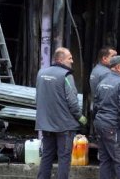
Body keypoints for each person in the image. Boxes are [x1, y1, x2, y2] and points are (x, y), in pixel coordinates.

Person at [35, 47, 86, 179]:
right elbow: (72, 102)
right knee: (64, 159)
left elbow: (38, 98)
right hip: (65, 126)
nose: (72, 61)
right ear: (60, 59)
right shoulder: (66, 76)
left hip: (46, 125)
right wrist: (81, 118)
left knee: (46, 156)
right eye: (70, 58)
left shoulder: (41, 73)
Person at [93, 55, 120, 179]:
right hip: (114, 127)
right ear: (117, 67)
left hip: (101, 124)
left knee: (105, 161)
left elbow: (95, 105)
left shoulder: (102, 82)